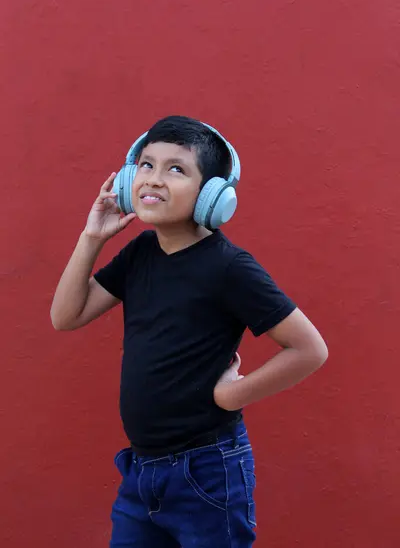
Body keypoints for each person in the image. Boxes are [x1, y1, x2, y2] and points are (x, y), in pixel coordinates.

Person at [51, 115, 328, 548]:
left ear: (212, 196)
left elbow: (310, 349)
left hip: (207, 471)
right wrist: (92, 238)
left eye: (176, 169)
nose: (154, 180)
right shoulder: (142, 252)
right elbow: (66, 315)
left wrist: (231, 395)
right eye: (145, 165)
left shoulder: (229, 268)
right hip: (141, 471)